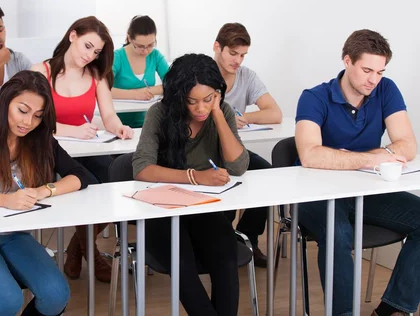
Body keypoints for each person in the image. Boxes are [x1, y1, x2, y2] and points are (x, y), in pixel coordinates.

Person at [0, 70, 96, 316]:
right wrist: (5, 200)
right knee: (7, 301)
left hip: (14, 235)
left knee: (57, 296)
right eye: (22, 111)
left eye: (37, 116)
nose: (28, 122)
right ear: (5, 103)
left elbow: (81, 176)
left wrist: (45, 190)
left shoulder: (38, 139)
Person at [295, 29, 419, 316]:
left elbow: (408, 145)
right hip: (316, 193)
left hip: (366, 189)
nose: (373, 79)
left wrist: (354, 159)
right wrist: (376, 157)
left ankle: (392, 309)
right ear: (347, 60)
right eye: (366, 70)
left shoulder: (385, 89)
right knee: (339, 234)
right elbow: (310, 155)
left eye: (379, 71)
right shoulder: (314, 97)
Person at [133, 53, 249, 316]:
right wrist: (196, 176)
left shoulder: (222, 112)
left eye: (208, 99)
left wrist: (218, 114)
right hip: (162, 211)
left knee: (226, 257)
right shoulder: (159, 114)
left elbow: (239, 165)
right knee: (182, 263)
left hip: (203, 208)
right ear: (178, 97)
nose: (200, 109)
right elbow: (142, 169)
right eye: (191, 101)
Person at [32, 16, 133, 283]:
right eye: (87, 46)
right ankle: (93, 254)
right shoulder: (41, 72)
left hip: (87, 149)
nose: (90, 56)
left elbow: (109, 115)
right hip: (49, 152)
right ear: (72, 36)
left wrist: (118, 127)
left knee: (113, 184)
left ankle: (77, 248)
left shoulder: (96, 76)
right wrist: (71, 130)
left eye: (96, 52)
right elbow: (32, 121)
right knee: (86, 183)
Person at [213, 22, 283, 267]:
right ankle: (221, 240)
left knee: (267, 176)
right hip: (205, 153)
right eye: (233, 53)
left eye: (242, 55)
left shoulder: (247, 76)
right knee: (225, 181)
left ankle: (247, 238)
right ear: (217, 47)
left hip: (235, 151)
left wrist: (244, 118)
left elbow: (275, 113)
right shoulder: (203, 73)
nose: (238, 61)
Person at [111, 15, 170, 127]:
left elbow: (174, 83)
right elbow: (103, 90)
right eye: (140, 46)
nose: (146, 50)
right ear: (129, 38)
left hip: (147, 122)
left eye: (150, 45)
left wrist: (150, 90)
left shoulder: (155, 56)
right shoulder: (117, 57)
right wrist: (135, 94)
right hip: (117, 123)